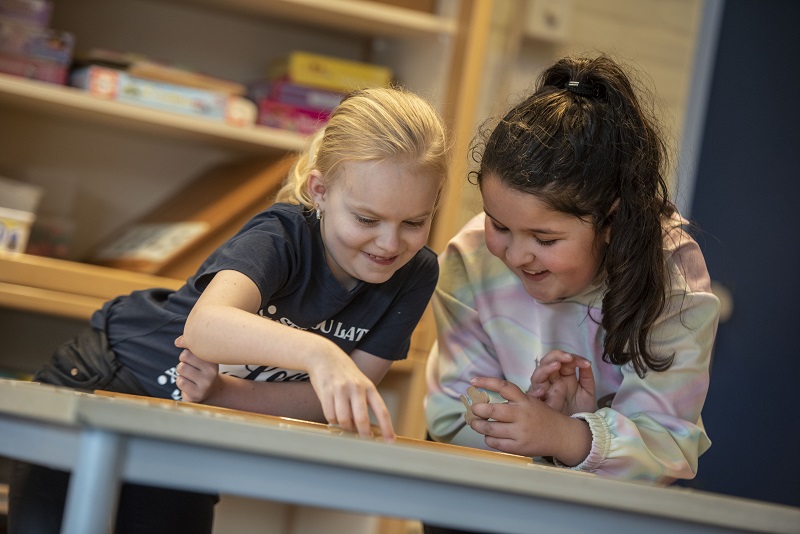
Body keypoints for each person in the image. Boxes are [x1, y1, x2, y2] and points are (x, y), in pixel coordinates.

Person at [8, 86, 449, 534]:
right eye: (367, 219)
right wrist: (321, 354)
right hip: (110, 380)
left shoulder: (415, 273)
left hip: (189, 423)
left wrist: (225, 395)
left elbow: (331, 402)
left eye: (414, 222)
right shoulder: (281, 235)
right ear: (320, 191)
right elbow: (205, 327)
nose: (391, 244)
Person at [425, 54, 720, 514]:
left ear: (611, 220)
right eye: (499, 225)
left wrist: (566, 434)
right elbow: (450, 417)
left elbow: (667, 443)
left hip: (600, 515)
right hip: (476, 502)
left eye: (544, 239)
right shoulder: (470, 260)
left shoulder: (672, 279)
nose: (516, 254)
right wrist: (537, 431)